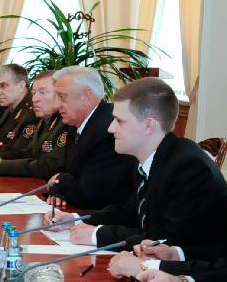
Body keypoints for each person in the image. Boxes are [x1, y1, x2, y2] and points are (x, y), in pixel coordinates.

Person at [54, 78, 226, 249]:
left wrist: (96, 235)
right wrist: (77, 218)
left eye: (119, 121)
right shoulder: (149, 158)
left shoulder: (189, 167)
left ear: (148, 125)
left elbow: (165, 241)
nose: (110, 128)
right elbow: (129, 213)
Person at [46, 66, 134, 209]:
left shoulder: (107, 130)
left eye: (62, 97)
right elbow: (67, 170)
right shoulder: (76, 123)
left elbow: (88, 194)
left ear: (86, 96)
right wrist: (59, 189)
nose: (57, 105)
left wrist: (59, 181)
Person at [0, 70, 68, 177]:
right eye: (34, 93)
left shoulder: (66, 122)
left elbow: (52, 166)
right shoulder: (45, 118)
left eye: (43, 92)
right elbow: (26, 152)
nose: (35, 99)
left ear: (60, 94)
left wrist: (1, 165)